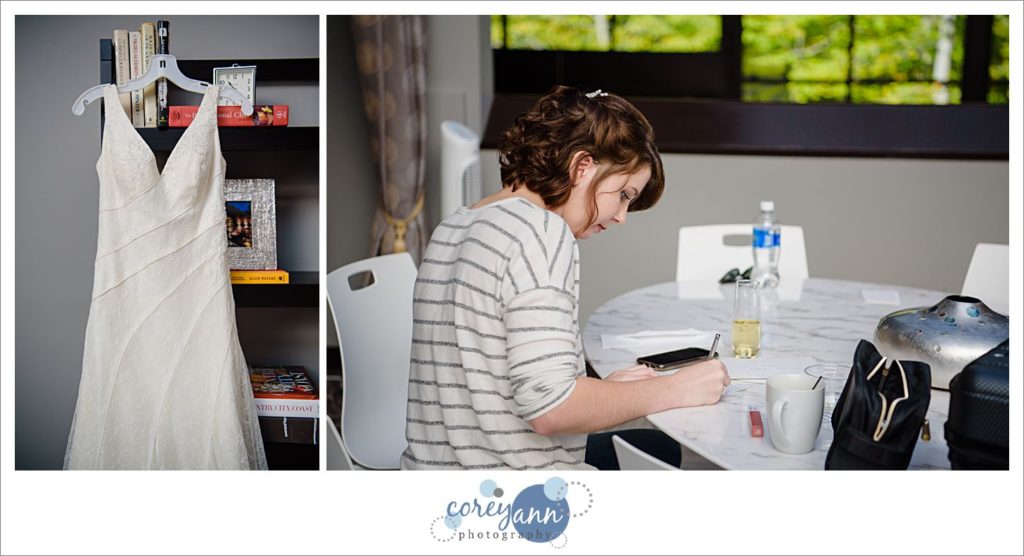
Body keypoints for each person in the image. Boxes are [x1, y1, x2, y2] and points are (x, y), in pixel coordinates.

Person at [401, 85, 730, 470]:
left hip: (436, 477)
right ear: (582, 166)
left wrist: (604, 391)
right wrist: (674, 388)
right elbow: (551, 410)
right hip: (516, 500)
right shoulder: (540, 232)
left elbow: (488, 375)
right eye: (623, 194)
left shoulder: (454, 225)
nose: (622, 215)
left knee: (655, 446)